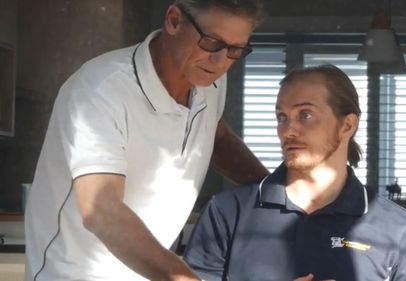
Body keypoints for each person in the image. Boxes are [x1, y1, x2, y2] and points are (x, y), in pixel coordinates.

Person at [24, 0, 268, 280]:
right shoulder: (101, 89)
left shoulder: (208, 80)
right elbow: (101, 210)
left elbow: (216, 135)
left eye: (236, 50)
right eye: (212, 42)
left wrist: (277, 191)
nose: (221, 62)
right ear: (174, 20)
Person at [183, 65, 406, 281]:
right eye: (282, 117)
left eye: (305, 115)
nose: (288, 130)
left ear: (347, 125)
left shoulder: (397, 228)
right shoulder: (227, 213)